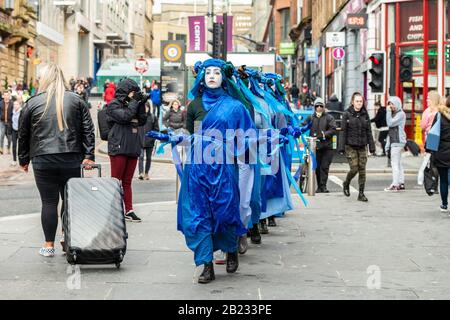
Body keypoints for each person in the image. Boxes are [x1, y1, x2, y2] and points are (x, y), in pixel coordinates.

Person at [178, 59, 255, 284]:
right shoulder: (194, 105)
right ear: (202, 77)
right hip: (198, 167)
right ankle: (206, 265)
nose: (212, 76)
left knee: (225, 212)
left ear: (223, 77)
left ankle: (231, 250)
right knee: (199, 215)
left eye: (216, 72)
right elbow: (191, 135)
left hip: (224, 167)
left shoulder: (235, 106)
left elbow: (246, 135)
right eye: (208, 72)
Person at [18, 64, 95, 257]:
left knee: (49, 202)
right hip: (71, 157)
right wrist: (88, 155)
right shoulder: (76, 100)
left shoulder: (33, 103)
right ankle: (65, 237)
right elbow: (88, 130)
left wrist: (23, 159)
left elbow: (24, 134)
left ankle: (48, 244)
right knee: (68, 201)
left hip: (43, 158)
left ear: (43, 79)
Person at [106, 78, 148, 223]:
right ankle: (114, 209)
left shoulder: (133, 103)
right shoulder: (113, 105)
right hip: (118, 147)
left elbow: (142, 120)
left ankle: (129, 210)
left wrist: (141, 103)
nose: (134, 94)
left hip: (132, 146)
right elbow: (125, 116)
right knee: (116, 181)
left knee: (127, 181)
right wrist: (135, 103)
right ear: (125, 91)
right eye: (132, 92)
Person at [339, 92, 376, 202]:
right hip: (350, 146)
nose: (359, 103)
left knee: (362, 170)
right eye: (357, 101)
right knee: (354, 168)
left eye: (361, 101)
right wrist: (341, 147)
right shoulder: (347, 114)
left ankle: (361, 194)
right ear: (352, 102)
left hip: (362, 145)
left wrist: (372, 146)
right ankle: (346, 182)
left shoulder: (365, 114)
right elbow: (343, 131)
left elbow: (369, 131)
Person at [303, 97, 337, 193]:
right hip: (315, 147)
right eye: (317, 106)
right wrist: (298, 129)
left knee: (324, 167)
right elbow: (303, 125)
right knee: (317, 167)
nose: (319, 107)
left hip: (327, 147)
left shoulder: (329, 117)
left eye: (321, 106)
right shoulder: (311, 117)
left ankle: (323, 186)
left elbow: (333, 129)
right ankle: (319, 187)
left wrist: (324, 134)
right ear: (314, 107)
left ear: (323, 107)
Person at [431, 96, 450, 212]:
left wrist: (430, 151)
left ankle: (444, 204)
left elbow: (433, 134)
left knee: (443, 180)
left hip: (441, 151)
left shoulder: (439, 115)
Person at [384, 96, 407, 192]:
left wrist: (388, 112)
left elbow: (389, 123)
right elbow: (391, 131)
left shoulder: (400, 114)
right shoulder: (395, 114)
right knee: (398, 163)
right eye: (389, 104)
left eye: (392, 104)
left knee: (394, 164)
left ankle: (395, 184)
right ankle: (401, 183)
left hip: (397, 142)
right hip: (395, 141)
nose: (390, 106)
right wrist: (387, 145)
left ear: (397, 103)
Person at [138, 102, 159, 180]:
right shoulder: (139, 117)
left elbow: (156, 130)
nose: (145, 109)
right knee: (140, 157)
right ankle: (141, 173)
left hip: (149, 141)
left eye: (146, 107)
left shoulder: (153, 117)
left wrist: (152, 138)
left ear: (149, 108)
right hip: (140, 140)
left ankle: (146, 173)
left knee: (148, 158)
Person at [0, 90, 13, 155]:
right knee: (1, 135)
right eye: (4, 95)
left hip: (9, 122)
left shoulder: (12, 103)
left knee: (9, 136)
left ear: (9, 96)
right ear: (3, 96)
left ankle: (8, 148)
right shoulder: (0, 103)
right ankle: (1, 148)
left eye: (7, 95)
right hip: (2, 122)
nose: (6, 96)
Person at [10, 100, 22, 166]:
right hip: (14, 130)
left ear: (20, 105)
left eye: (17, 104)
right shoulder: (12, 112)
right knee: (14, 146)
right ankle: (14, 160)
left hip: (20, 131)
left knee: (21, 147)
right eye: (14, 104)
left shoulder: (22, 112)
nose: (15, 106)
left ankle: (21, 160)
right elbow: (10, 121)